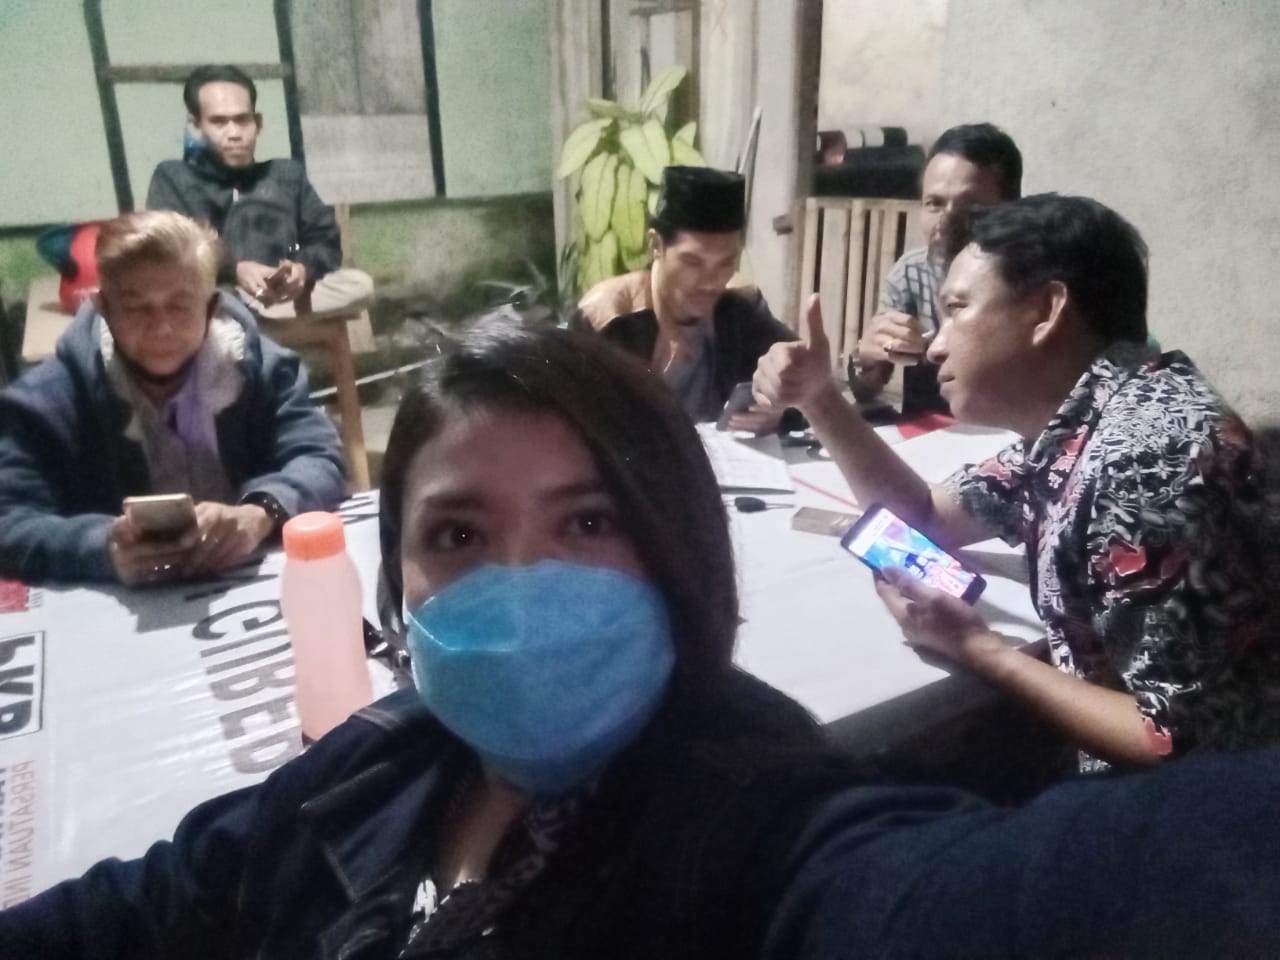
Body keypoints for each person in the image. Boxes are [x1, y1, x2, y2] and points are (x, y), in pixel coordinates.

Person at [4, 317, 1280, 958]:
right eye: (457, 532)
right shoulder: (375, 766)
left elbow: (992, 900)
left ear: (677, 545)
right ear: (396, 588)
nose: (521, 582)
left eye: (589, 519)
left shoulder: (753, 826)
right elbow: (156, 902)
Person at [755, 194, 1280, 772]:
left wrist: (979, 649)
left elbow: (1176, 742)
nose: (934, 346)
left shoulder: (1144, 461)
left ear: (1046, 310)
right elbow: (925, 516)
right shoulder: (1087, 420)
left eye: (958, 309)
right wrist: (819, 398)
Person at [0, 210, 347, 585]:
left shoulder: (263, 371)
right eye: (136, 308)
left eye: (179, 306)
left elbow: (319, 457)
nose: (161, 328)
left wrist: (260, 513)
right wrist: (100, 547)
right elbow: (8, 518)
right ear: (104, 309)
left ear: (211, 308)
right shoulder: (49, 400)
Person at [573, 165, 795, 432]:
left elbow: (802, 386)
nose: (711, 282)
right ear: (656, 245)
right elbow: (570, 422)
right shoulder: (609, 318)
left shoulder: (739, 306)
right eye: (692, 262)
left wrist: (779, 413)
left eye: (726, 262)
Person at [146, 64, 373, 322]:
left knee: (359, 285)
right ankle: (256, 320)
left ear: (258, 123)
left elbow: (326, 241)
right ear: (197, 126)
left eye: (243, 120)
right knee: (201, 299)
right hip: (224, 292)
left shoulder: (286, 175)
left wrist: (301, 269)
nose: (234, 133)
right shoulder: (174, 178)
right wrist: (235, 270)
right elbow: (171, 253)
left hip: (283, 295)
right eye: (219, 122)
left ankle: (253, 323)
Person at [852, 122, 1022, 416]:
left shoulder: (1032, 278)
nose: (948, 219)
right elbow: (865, 390)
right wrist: (867, 359)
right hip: (930, 433)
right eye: (934, 203)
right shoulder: (910, 273)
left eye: (971, 206)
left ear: (1011, 210)